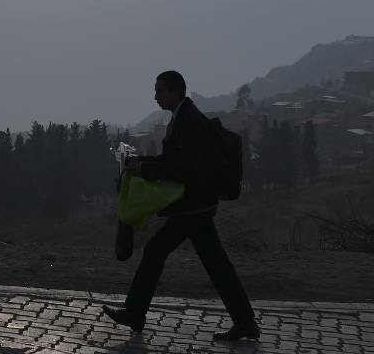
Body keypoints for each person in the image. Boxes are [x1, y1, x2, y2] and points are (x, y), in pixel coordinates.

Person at [102, 70, 259, 341]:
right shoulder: (183, 118)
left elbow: (183, 169)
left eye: (160, 91)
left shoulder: (189, 122)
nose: (156, 96)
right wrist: (142, 163)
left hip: (193, 206)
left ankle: (135, 312)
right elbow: (172, 159)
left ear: (175, 91)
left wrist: (145, 169)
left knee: (155, 250)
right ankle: (245, 322)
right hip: (200, 205)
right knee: (217, 264)